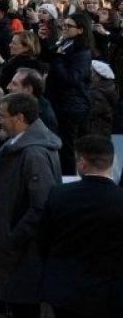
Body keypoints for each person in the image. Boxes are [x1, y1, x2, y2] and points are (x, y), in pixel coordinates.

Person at [0, 93, 61, 318]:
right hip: (16, 254)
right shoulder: (18, 145)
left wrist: (11, 238)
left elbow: (41, 205)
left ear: (19, 117)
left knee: (24, 309)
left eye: (2, 116)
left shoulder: (33, 153)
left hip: (22, 255)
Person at [39, 135, 123, 318]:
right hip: (109, 294)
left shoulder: (59, 194)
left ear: (82, 162)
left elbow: (43, 239)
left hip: (64, 291)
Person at [40, 12, 92, 174]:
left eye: (69, 26)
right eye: (64, 25)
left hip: (71, 106)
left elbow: (72, 78)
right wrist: (43, 40)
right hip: (60, 102)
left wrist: (58, 58)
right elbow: (46, 56)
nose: (64, 29)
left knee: (66, 149)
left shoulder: (82, 52)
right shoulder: (64, 43)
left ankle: (68, 179)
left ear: (80, 30)